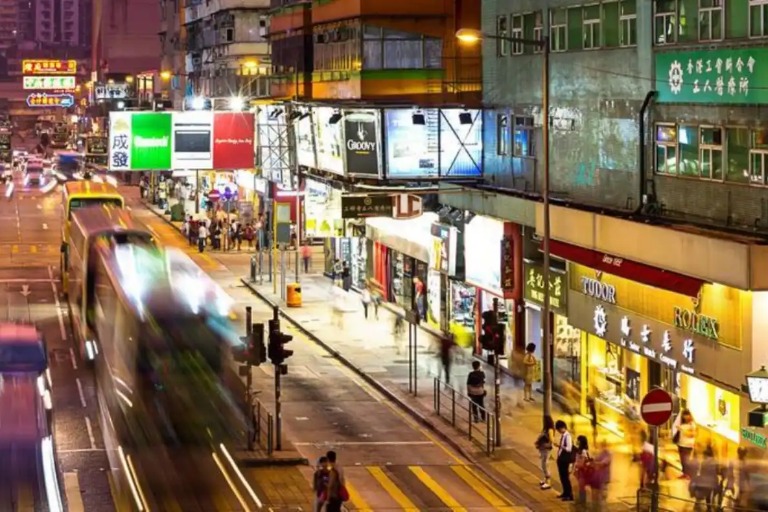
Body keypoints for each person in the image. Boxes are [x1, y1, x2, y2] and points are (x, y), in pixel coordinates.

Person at [673, 409, 697, 478]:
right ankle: (685, 473)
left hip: (688, 445)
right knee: (682, 460)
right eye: (684, 415)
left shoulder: (692, 424)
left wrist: (682, 430)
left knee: (686, 460)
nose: (686, 417)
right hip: (681, 444)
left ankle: (688, 474)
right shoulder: (682, 423)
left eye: (687, 415)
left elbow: (692, 434)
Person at [555, 419, 574, 502]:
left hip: (564, 460)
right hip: (561, 460)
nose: (559, 431)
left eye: (559, 429)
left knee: (565, 477)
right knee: (562, 477)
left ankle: (569, 494)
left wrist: (560, 446)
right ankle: (565, 492)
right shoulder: (564, 436)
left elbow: (569, 449)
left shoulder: (568, 436)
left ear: (562, 428)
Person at [535, 415, 555, 490]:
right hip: (543, 448)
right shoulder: (545, 429)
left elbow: (551, 440)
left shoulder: (550, 430)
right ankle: (545, 479)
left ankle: (548, 481)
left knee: (545, 464)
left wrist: (546, 444)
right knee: (543, 464)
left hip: (546, 449)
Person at [573, 435, 592, 506]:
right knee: (580, 485)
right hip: (579, 469)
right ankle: (580, 500)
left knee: (581, 485)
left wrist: (578, 466)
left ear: (581, 442)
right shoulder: (579, 450)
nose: (577, 441)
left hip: (582, 470)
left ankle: (582, 501)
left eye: (578, 440)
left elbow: (583, 461)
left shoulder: (583, 451)